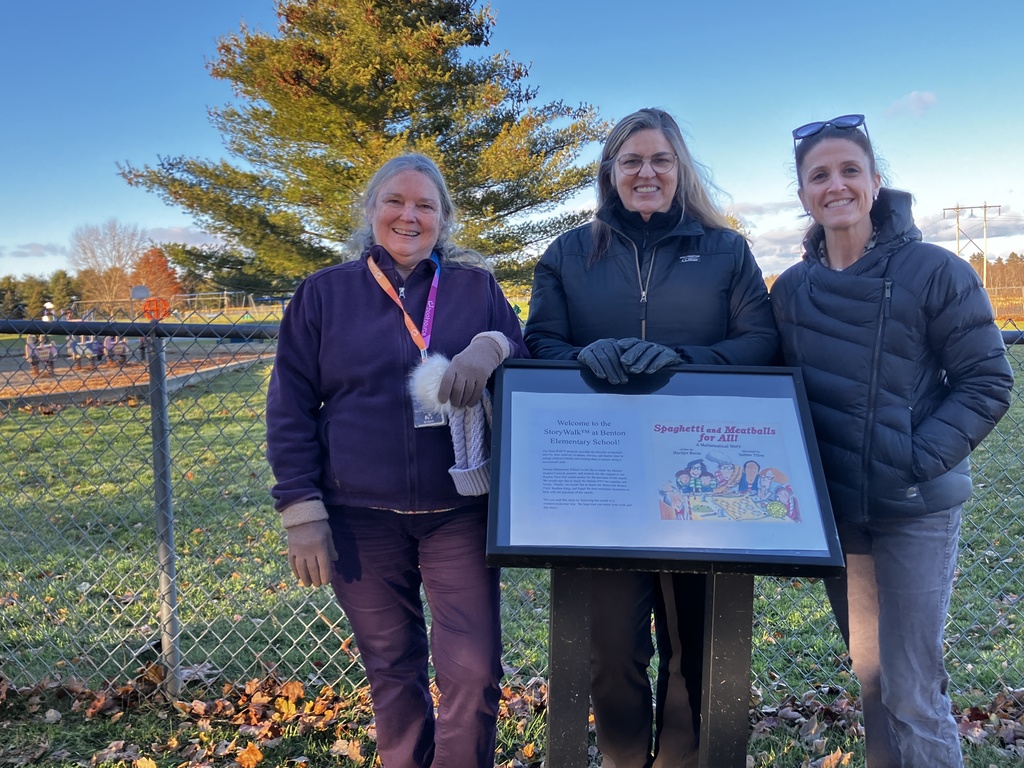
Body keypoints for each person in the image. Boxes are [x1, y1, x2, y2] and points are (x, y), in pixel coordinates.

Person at [525, 107, 778, 768]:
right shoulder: (568, 255)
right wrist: (586, 358)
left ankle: (681, 761)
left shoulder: (726, 251)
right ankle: (623, 758)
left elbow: (760, 342)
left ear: (679, 169)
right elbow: (540, 345)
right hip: (604, 483)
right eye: (631, 160)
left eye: (660, 160)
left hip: (704, 476)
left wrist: (681, 362)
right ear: (610, 171)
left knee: (697, 648)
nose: (646, 172)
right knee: (611, 652)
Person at [265, 153, 528, 768]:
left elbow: (521, 342)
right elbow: (290, 406)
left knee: (475, 668)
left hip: (457, 511)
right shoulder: (323, 294)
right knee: (393, 668)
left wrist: (489, 346)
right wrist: (301, 511)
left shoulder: (475, 287)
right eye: (395, 201)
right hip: (359, 513)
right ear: (371, 211)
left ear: (443, 219)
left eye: (425, 205)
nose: (409, 216)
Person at [770, 114, 1013, 767]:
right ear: (802, 195)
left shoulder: (935, 271)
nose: (836, 184)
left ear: (876, 183)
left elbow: (986, 383)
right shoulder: (792, 290)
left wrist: (911, 461)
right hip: (843, 515)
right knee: (874, 682)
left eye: (851, 170)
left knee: (911, 690)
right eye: (819, 175)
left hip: (916, 509)